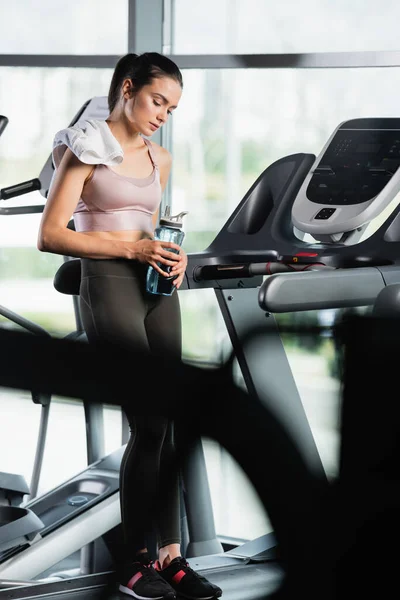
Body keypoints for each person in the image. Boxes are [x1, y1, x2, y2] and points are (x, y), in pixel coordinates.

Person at [37, 52, 222, 600]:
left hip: (156, 287)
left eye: (172, 107)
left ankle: (171, 556)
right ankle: (134, 559)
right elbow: (51, 235)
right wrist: (132, 246)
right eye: (157, 100)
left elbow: (156, 226)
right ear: (127, 88)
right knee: (147, 418)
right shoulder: (85, 146)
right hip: (109, 282)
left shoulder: (160, 157)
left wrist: (175, 256)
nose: (163, 113)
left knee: (170, 417)